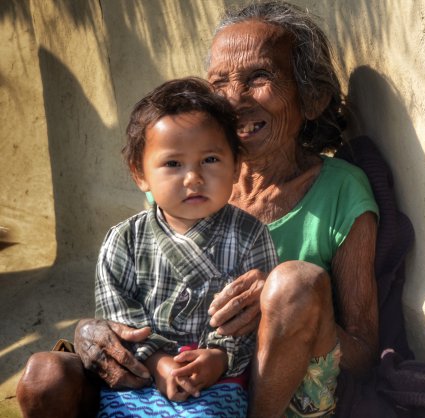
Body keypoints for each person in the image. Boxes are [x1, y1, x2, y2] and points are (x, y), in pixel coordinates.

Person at [17, 2, 380, 417]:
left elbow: (364, 353)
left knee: (294, 281)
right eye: (219, 82)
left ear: (311, 97)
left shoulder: (342, 191)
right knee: (44, 376)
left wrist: (281, 310)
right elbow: (140, 299)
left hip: (273, 392)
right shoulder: (182, 185)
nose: (235, 99)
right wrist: (91, 329)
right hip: (175, 381)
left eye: (259, 77)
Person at [94, 76, 278, 416]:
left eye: (210, 160)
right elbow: (117, 316)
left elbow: (259, 319)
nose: (193, 179)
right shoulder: (124, 240)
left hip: (219, 380)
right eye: (173, 164)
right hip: (140, 379)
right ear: (140, 173)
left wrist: (219, 357)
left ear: (236, 166)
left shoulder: (251, 235)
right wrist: (158, 362)